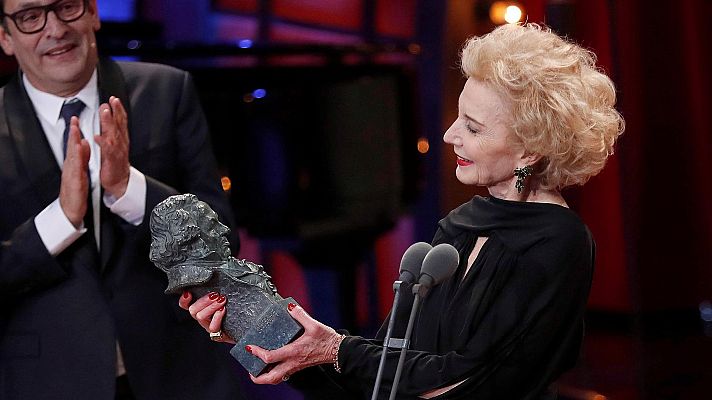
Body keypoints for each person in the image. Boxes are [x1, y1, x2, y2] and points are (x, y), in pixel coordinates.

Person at [181, 23, 624, 399]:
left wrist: (334, 350)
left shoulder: (558, 242)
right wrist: (257, 331)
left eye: (473, 128)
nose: (450, 135)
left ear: (529, 149)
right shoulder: (462, 225)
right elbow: (382, 378)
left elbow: (471, 383)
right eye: (458, 117)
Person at [0, 0, 244, 399]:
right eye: (30, 17)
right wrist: (60, 221)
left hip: (177, 374)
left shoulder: (167, 90)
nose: (55, 29)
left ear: (93, 12)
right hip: (47, 380)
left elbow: (223, 242)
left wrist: (130, 189)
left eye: (67, 7)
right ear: (5, 37)